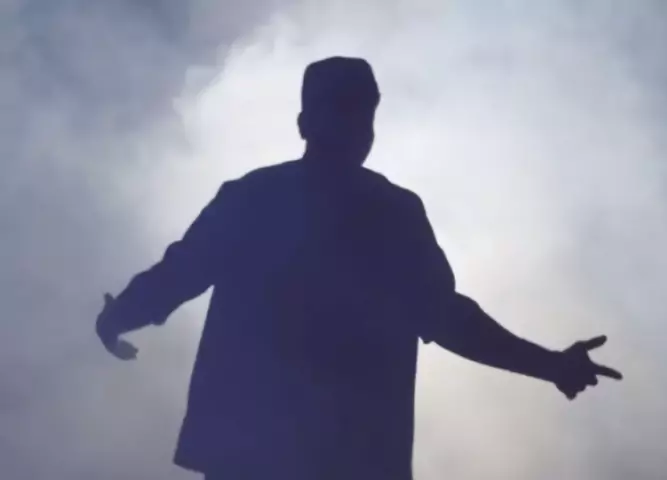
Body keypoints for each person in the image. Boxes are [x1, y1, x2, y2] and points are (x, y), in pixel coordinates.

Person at [95, 56, 622, 480]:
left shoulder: (252, 198)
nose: (360, 129)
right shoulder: (393, 213)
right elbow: (448, 320)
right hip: (352, 457)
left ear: (304, 123)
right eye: (357, 114)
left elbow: (179, 274)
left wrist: (120, 315)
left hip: (250, 454)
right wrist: (550, 365)